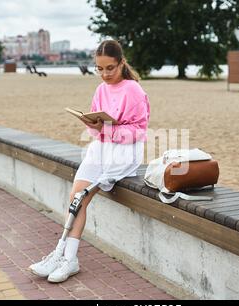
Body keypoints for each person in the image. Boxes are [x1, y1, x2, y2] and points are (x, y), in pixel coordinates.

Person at [29, 39, 151, 283]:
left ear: (121, 63)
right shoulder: (100, 90)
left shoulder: (134, 90)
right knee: (75, 196)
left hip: (124, 153)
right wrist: (94, 126)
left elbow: (140, 130)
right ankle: (66, 255)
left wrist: (107, 131)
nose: (104, 74)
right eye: (99, 69)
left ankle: (66, 256)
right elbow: (98, 132)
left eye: (110, 68)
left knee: (82, 197)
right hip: (101, 148)